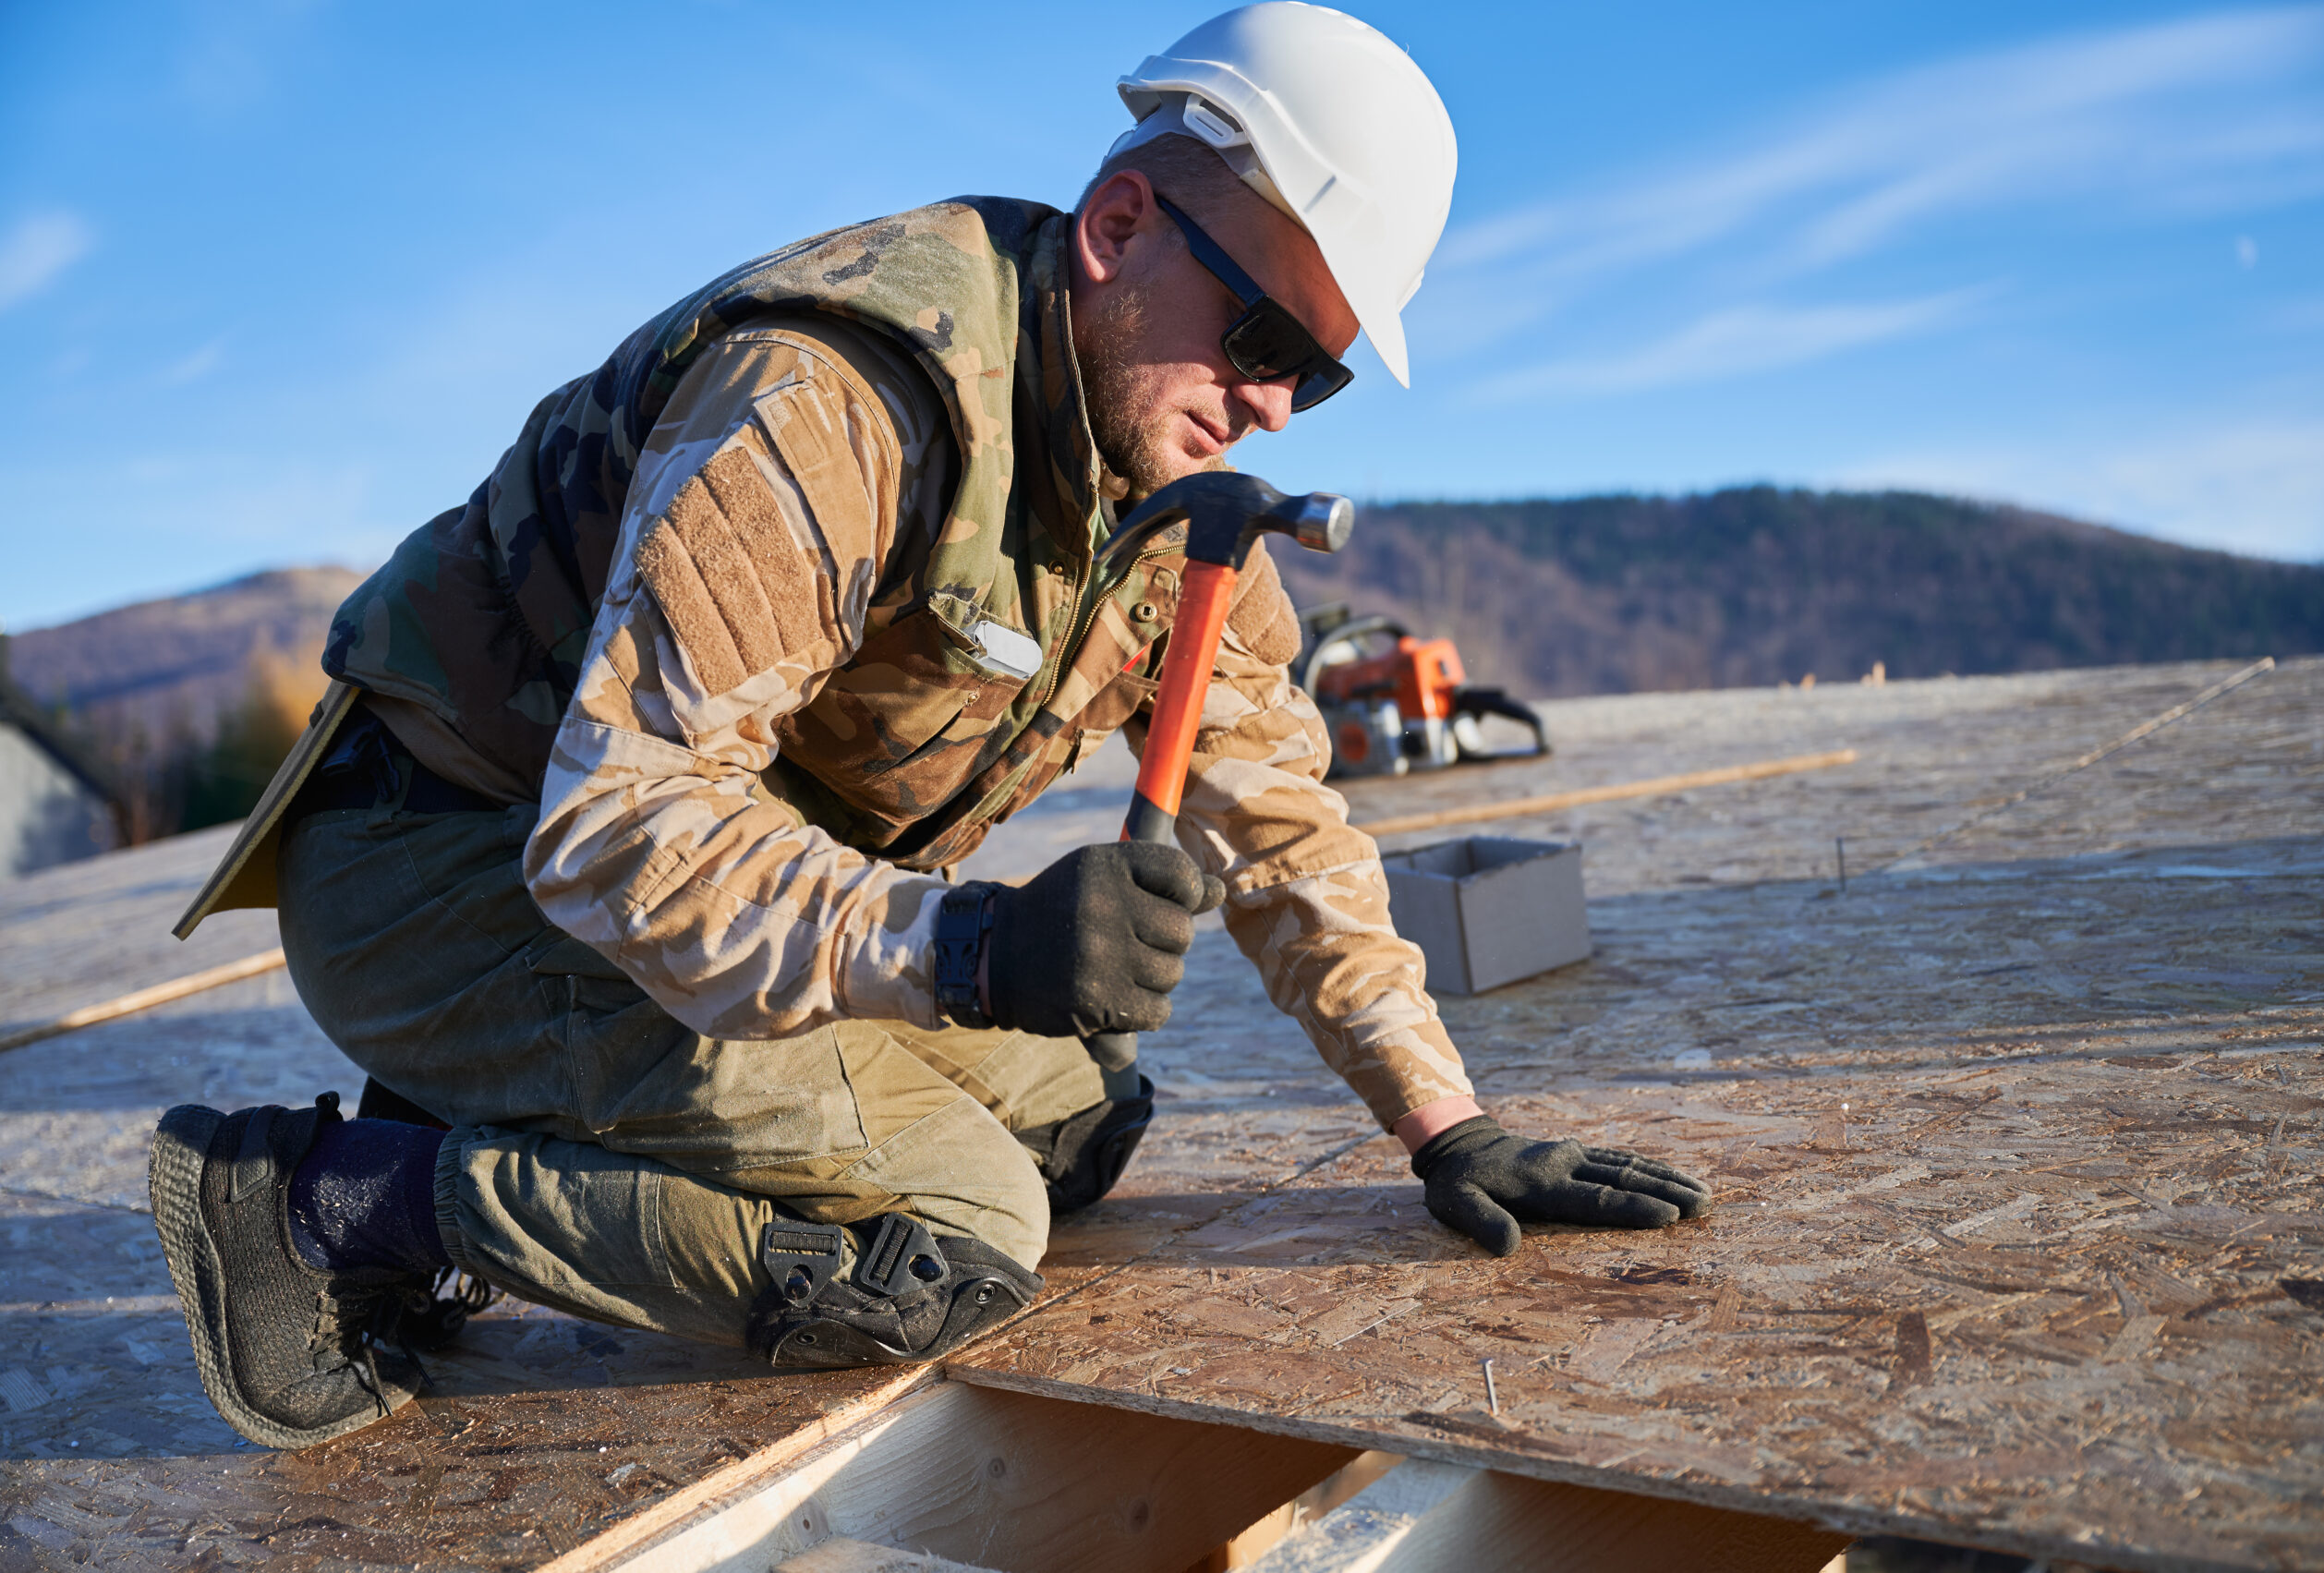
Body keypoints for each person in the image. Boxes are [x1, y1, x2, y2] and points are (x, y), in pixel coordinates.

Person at [150, 3, 1712, 1452]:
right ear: (1118, 230)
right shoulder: (836, 396)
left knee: (1083, 1119)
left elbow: (1284, 827)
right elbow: (623, 830)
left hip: (661, 896)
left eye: (1322, 374)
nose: (1276, 409)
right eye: (1260, 343)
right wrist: (970, 950)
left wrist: (1445, 1122)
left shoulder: (1172, 500)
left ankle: (505, 1101)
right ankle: (323, 1202)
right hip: (446, 860)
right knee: (955, 1238)